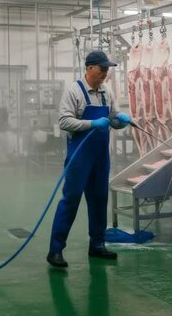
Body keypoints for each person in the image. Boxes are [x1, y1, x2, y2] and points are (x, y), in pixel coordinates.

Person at [47, 51, 132, 268]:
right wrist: (91, 124)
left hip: (101, 156)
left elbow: (112, 117)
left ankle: (97, 245)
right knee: (71, 200)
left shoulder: (106, 91)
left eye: (107, 69)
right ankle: (55, 250)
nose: (105, 73)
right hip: (79, 156)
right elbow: (64, 121)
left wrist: (119, 120)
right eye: (102, 68)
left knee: (99, 199)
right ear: (89, 68)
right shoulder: (74, 91)